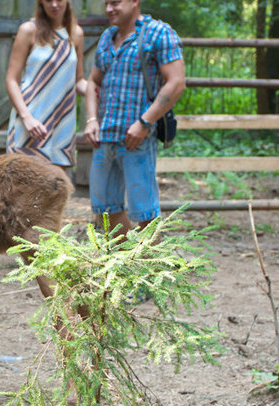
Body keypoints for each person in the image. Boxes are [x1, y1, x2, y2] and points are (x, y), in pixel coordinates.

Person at [84, 0, 185, 237]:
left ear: (134, 1)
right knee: (104, 212)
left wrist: (143, 123)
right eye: (106, 3)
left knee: (145, 214)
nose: (110, 9)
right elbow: (92, 82)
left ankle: (153, 269)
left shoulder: (158, 33)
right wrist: (91, 120)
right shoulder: (107, 37)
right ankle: (126, 265)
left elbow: (176, 82)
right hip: (105, 138)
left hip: (138, 140)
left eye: (116, 2)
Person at [6, 0, 87, 169]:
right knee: (22, 190)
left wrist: (99, 91)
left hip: (62, 126)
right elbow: (11, 80)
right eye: (49, 0)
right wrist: (27, 118)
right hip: (30, 124)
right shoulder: (28, 30)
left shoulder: (76, 34)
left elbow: (79, 81)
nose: (54, 4)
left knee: (56, 190)